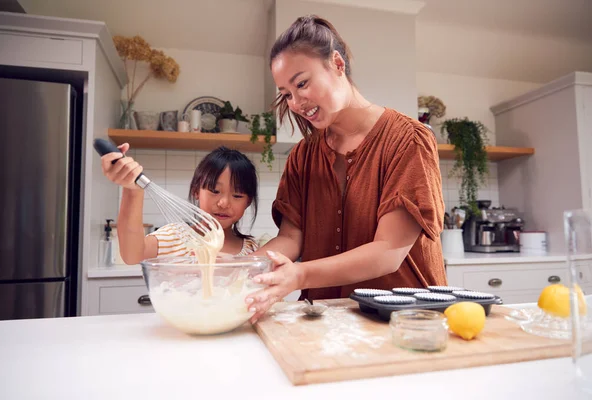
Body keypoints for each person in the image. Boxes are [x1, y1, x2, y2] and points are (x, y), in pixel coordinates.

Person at [246, 15, 447, 323]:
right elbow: (291, 238)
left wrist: (298, 275)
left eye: (301, 83)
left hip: (407, 321)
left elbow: (387, 252)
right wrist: (236, 268)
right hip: (325, 320)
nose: (296, 102)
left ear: (337, 64)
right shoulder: (303, 156)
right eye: (286, 93)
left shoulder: (408, 140)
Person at [100, 145, 259, 263]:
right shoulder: (175, 237)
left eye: (237, 195)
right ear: (197, 191)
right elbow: (132, 255)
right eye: (214, 191)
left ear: (248, 201)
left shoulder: (252, 251)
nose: (224, 203)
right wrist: (132, 189)